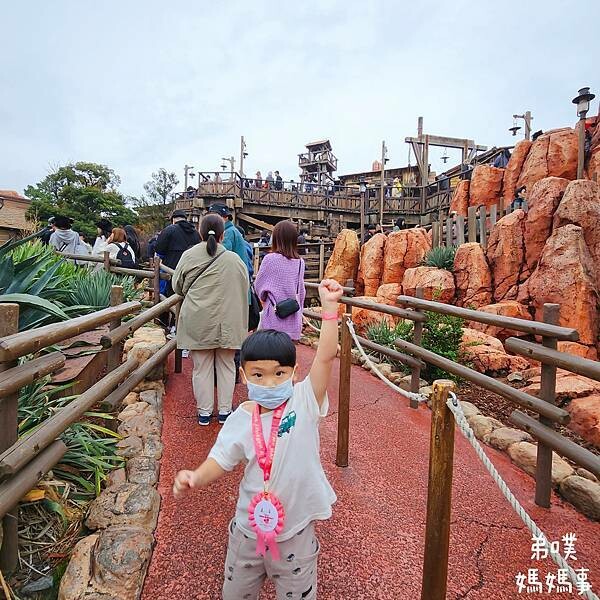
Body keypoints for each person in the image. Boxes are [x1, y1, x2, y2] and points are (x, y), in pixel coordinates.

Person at [172, 279, 343, 600]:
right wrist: (196, 476)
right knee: (236, 592)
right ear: (243, 376)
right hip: (248, 531)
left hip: (295, 533)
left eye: (279, 373)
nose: (270, 382)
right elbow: (220, 459)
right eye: (258, 375)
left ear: (294, 373)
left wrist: (330, 308)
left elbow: (324, 358)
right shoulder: (240, 419)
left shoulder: (304, 400)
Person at [172, 214, 249, 426]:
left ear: (200, 232)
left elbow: (177, 286)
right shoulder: (234, 260)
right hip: (228, 320)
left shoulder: (189, 256)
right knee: (227, 365)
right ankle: (225, 411)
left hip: (198, 319)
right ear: (223, 234)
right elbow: (244, 286)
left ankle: (204, 413)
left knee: (201, 367)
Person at [254, 220, 306, 340]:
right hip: (293, 318)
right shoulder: (300, 262)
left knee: (269, 350)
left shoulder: (270, 259)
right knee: (288, 351)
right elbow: (301, 292)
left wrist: (264, 297)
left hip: (273, 317)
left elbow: (258, 286)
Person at [155, 209, 201, 279]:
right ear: (185, 219)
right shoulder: (195, 233)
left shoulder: (168, 230)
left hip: (170, 271)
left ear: (173, 219)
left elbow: (158, 249)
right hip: (190, 272)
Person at [208, 204, 251, 271]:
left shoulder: (228, 232)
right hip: (239, 270)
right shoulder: (231, 230)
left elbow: (221, 253)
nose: (212, 220)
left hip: (235, 271)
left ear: (226, 217)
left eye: (215, 216)